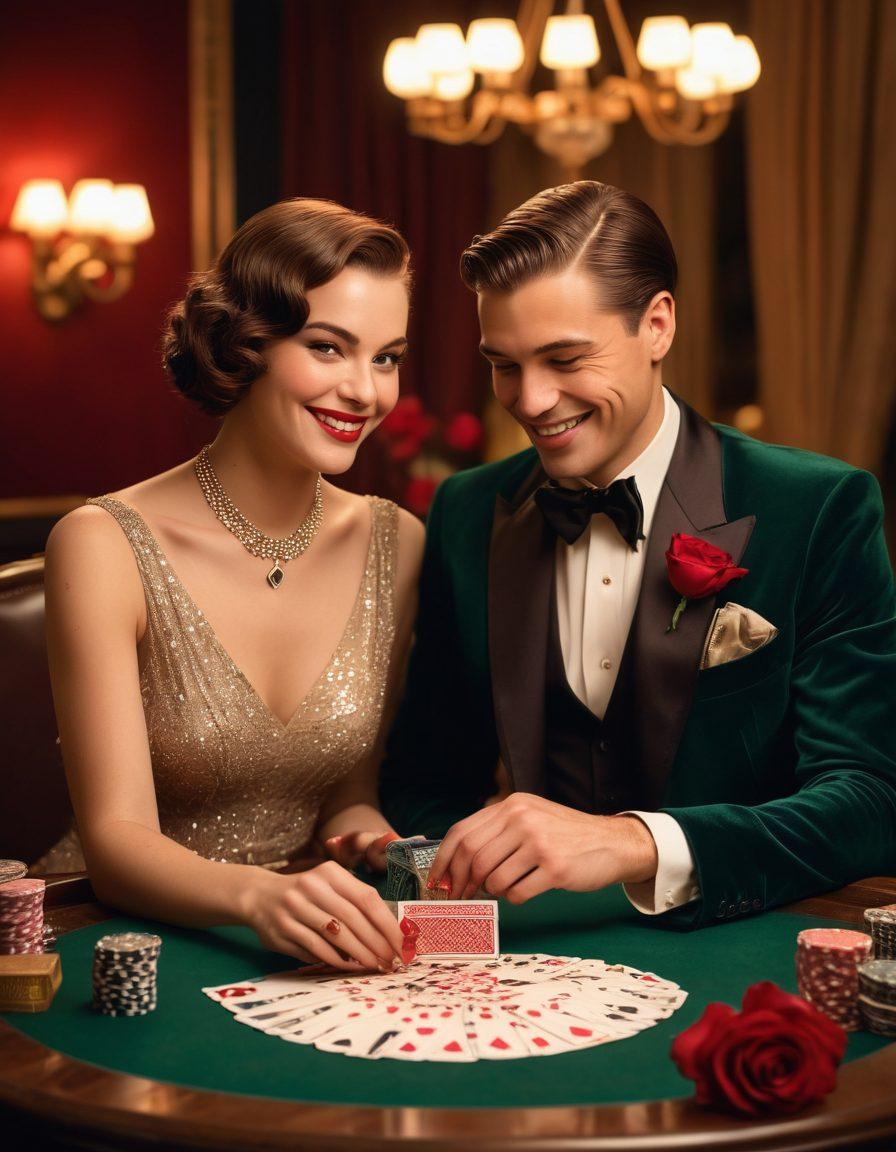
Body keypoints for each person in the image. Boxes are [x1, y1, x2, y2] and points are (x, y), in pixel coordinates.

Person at [378, 180, 896, 929]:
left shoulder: (818, 508)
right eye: (505, 364)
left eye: (564, 358)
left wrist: (634, 844)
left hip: (742, 953)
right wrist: (425, 889)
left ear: (657, 325)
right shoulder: (467, 511)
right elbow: (425, 778)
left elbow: (871, 801)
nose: (529, 399)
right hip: (527, 966)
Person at [37, 198, 424, 971]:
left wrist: (371, 836)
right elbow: (115, 847)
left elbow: (346, 788)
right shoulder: (102, 544)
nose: (364, 391)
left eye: (385, 357)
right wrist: (261, 897)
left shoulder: (396, 543)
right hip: (110, 935)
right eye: (327, 347)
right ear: (246, 344)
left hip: (297, 938)